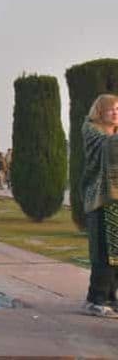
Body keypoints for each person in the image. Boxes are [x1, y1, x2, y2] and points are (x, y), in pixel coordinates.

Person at [80, 94, 118, 318]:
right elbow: (107, 149)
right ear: (100, 111)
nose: (115, 112)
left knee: (116, 253)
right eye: (111, 109)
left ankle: (110, 298)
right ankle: (95, 299)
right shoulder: (92, 130)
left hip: (115, 201)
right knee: (103, 252)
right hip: (101, 199)